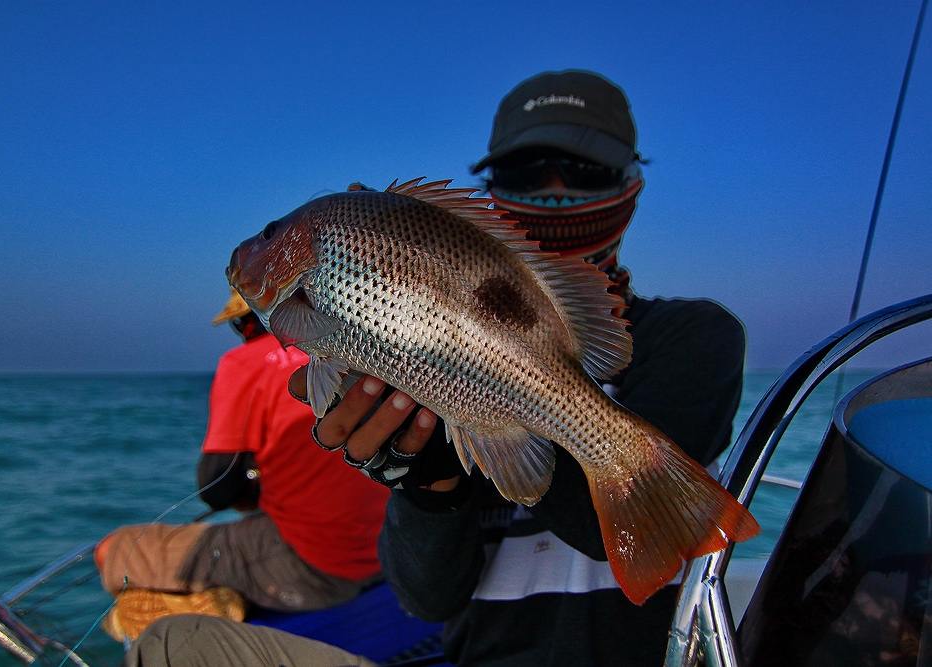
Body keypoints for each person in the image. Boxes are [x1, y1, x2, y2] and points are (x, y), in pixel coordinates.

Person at [127, 69, 745, 666]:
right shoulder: (410, 342)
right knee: (170, 648)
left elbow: (598, 524)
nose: (556, 189)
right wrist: (429, 483)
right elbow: (426, 601)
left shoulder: (694, 336)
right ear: (489, 187)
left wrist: (549, 417)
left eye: (585, 171)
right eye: (527, 170)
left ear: (631, 183)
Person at [95, 289, 390, 642]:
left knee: (113, 549)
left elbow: (218, 486)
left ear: (253, 318)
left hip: (317, 568)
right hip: (390, 555)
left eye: (241, 324)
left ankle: (203, 619)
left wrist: (248, 494)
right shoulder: (359, 350)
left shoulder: (244, 362)